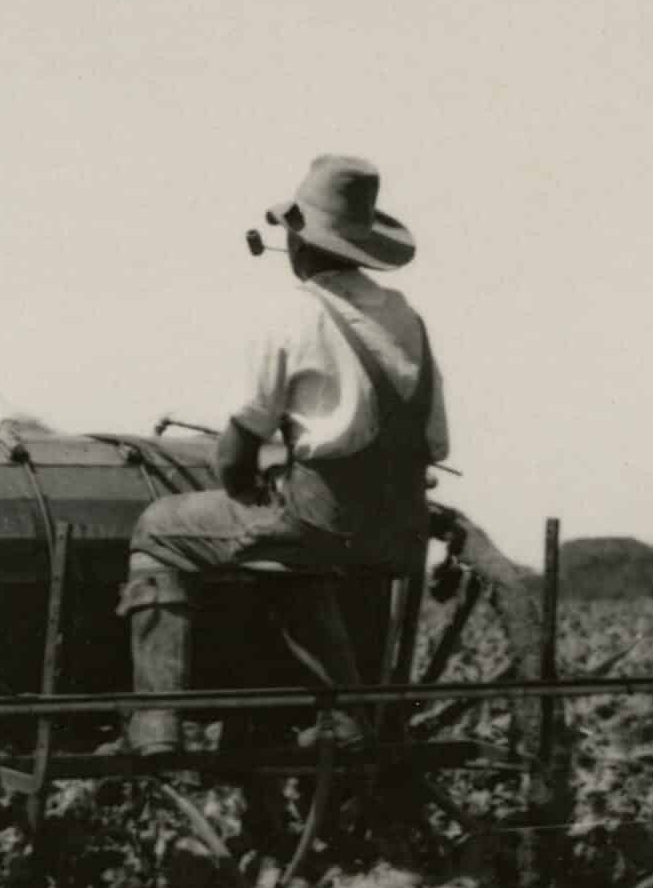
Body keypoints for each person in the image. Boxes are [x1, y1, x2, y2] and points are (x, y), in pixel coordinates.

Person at [120, 154, 450, 763]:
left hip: (317, 528)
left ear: (299, 240)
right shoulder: (408, 321)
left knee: (159, 528)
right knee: (298, 552)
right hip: (398, 534)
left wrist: (243, 482)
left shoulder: (293, 315)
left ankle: (156, 722)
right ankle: (343, 714)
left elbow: (237, 447)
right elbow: (432, 445)